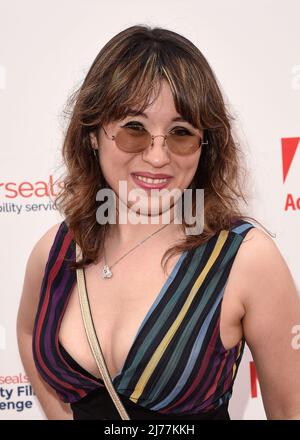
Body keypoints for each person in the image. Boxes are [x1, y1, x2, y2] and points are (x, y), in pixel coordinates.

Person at [16, 25, 300, 420]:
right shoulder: (57, 250)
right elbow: (29, 333)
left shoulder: (245, 260)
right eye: (134, 129)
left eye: (181, 133)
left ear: (206, 146)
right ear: (94, 133)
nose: (156, 156)